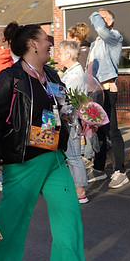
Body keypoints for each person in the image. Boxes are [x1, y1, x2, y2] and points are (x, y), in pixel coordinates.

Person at [0, 22, 106, 261]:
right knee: (12, 220)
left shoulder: (50, 74)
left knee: (69, 212)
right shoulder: (10, 77)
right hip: (23, 158)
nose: (51, 42)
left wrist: (79, 117)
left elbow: (61, 106)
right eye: (45, 38)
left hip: (53, 156)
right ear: (32, 44)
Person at [88, 9, 128, 189]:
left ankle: (120, 171)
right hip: (94, 90)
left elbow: (102, 30)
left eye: (103, 18)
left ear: (110, 22)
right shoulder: (95, 43)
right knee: (98, 131)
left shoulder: (114, 36)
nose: (98, 21)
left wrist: (94, 14)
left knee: (112, 130)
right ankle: (99, 168)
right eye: (98, 17)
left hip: (107, 89)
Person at [55, 40, 89, 203]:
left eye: (61, 53)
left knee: (74, 156)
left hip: (71, 122)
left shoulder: (75, 75)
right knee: (71, 156)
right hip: (69, 121)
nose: (59, 57)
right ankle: (77, 187)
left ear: (68, 55)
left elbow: (67, 100)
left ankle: (80, 191)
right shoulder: (72, 72)